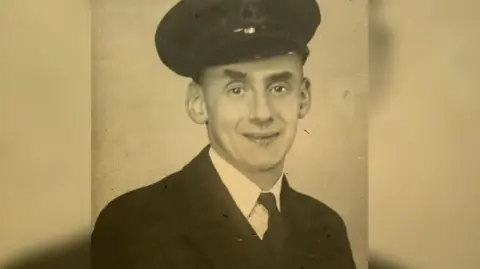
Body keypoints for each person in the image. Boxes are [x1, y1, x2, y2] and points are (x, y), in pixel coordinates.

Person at [91, 0, 357, 268]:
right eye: (236, 89)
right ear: (198, 103)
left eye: (278, 88)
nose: (262, 113)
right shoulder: (133, 226)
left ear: (303, 97)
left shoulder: (326, 229)